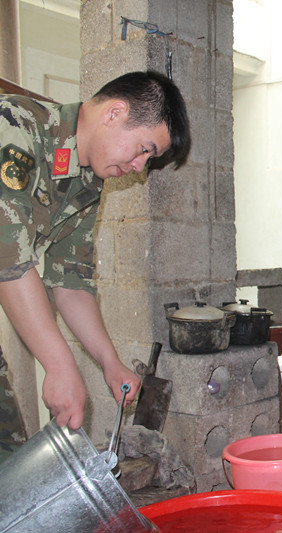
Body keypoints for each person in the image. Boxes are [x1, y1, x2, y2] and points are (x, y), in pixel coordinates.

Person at [0, 71, 191, 461]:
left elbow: (71, 281)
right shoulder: (15, 126)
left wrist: (110, 363)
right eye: (144, 149)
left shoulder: (86, 180)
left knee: (10, 471)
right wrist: (59, 364)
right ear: (115, 113)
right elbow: (7, 257)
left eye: (149, 158)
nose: (139, 167)